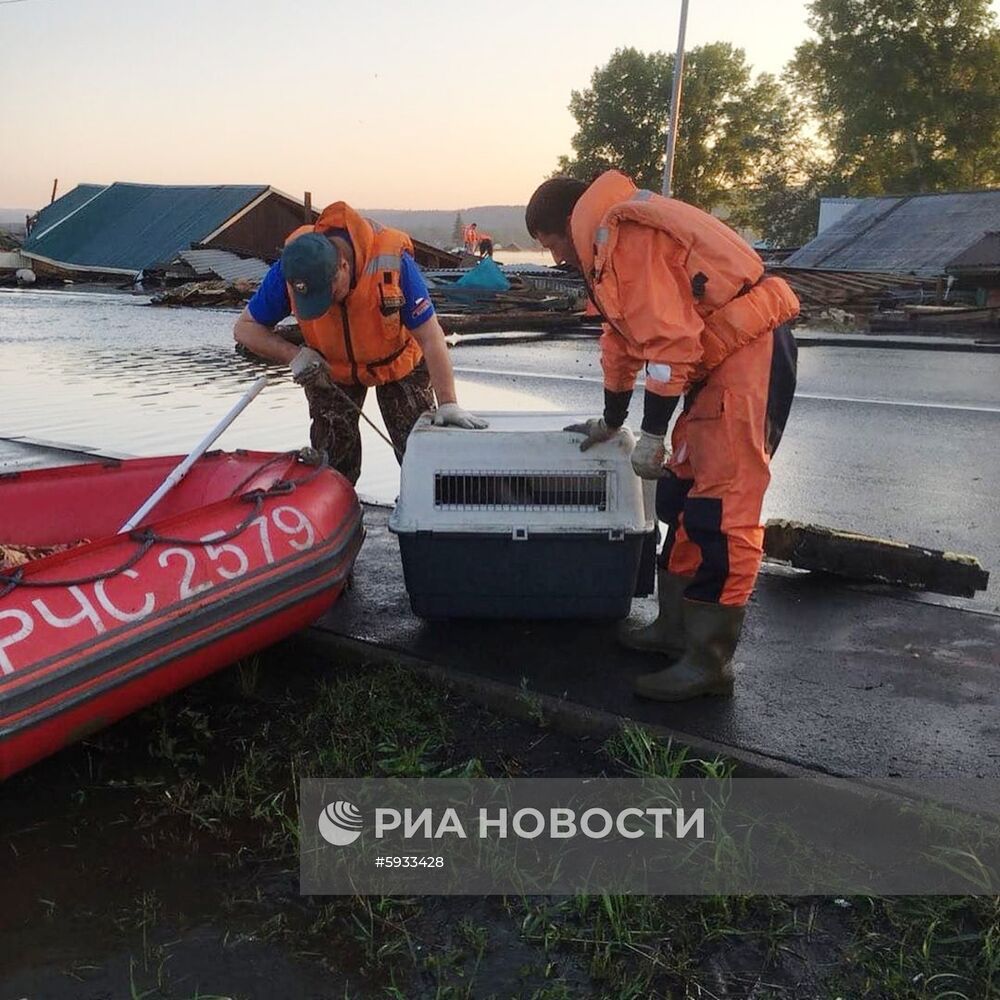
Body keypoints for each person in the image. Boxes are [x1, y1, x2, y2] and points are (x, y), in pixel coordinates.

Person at [525, 171, 800, 702]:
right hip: (714, 361)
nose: (557, 259)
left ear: (566, 224)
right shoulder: (606, 248)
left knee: (724, 511)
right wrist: (612, 418)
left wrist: (652, 433)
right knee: (681, 496)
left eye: (551, 245)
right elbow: (623, 340)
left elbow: (670, 343)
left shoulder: (630, 237)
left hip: (747, 356)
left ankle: (709, 661)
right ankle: (676, 627)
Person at [234, 201, 486, 485]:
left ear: (342, 266)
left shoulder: (393, 262)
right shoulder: (295, 266)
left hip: (397, 360)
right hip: (330, 368)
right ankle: (338, 512)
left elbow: (431, 337)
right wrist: (294, 355)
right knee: (331, 465)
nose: (325, 305)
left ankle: (428, 512)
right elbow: (245, 329)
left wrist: (448, 403)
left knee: (418, 451)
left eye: (329, 294)